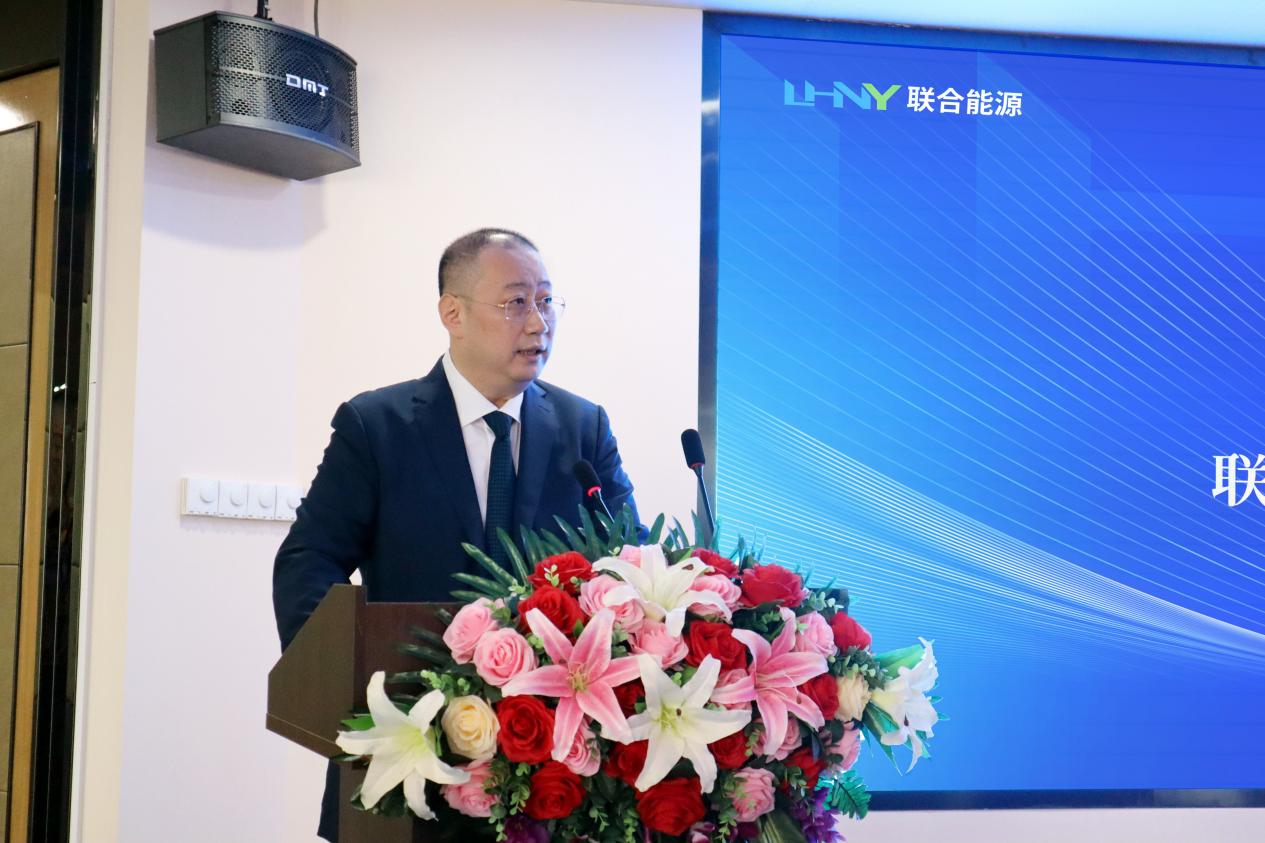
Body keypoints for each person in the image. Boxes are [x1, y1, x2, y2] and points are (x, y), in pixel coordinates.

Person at [272, 228, 640, 841]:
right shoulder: (377, 426)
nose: (538, 322)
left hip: (552, 775)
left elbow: (628, 563)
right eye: (515, 302)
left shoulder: (583, 427)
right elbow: (308, 560)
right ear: (453, 314)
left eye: (546, 301)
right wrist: (351, 693)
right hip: (409, 761)